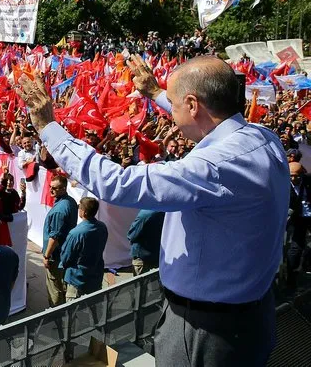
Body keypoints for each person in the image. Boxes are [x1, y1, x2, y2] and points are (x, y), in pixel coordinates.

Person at [17, 55, 289, 366]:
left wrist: (48, 125)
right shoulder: (262, 137)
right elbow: (200, 115)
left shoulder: (213, 166)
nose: (170, 113)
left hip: (208, 330)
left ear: (192, 104)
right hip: (250, 316)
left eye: (172, 104)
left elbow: (115, 182)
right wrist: (154, 93)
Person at [59, 198, 108, 301]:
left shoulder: (76, 233)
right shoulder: (102, 227)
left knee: (73, 315)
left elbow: (66, 258)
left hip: (77, 281)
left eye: (80, 208)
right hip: (95, 278)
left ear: (84, 212)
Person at [41, 175, 78, 306]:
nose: (50, 190)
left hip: (55, 256)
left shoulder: (59, 210)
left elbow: (54, 237)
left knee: (54, 288)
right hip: (64, 253)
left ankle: (56, 316)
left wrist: (46, 255)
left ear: (63, 188)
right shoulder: (71, 201)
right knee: (61, 284)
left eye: (54, 189)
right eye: (50, 187)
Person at [287, 161, 311, 289]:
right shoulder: (284, 186)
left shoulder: (308, 181)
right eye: (291, 175)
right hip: (298, 219)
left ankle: (307, 262)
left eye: (297, 175)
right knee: (296, 247)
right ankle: (291, 279)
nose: (294, 178)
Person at [127, 209, 165, 275]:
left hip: (142, 257)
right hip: (159, 255)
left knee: (140, 283)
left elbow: (131, 235)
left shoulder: (145, 214)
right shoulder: (167, 211)